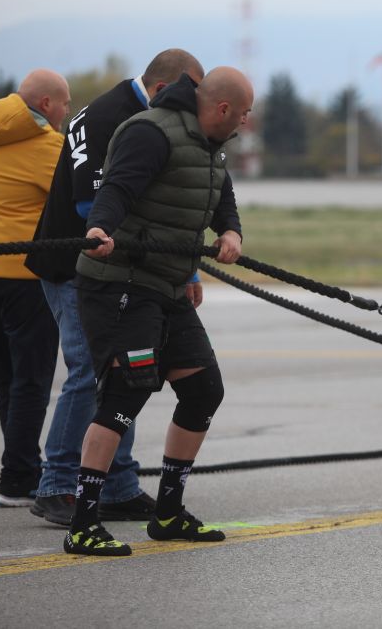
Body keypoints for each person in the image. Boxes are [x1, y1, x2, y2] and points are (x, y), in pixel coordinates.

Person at [63, 66, 252, 556]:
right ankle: (82, 524)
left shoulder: (210, 144)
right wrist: (101, 228)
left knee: (203, 389)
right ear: (224, 108)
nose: (246, 123)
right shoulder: (152, 131)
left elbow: (219, 193)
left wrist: (230, 231)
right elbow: (116, 189)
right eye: (245, 113)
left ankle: (168, 513)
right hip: (121, 283)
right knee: (126, 394)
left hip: (166, 285)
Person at [25, 49, 205, 527]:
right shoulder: (116, 118)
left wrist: (184, 267)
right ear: (167, 90)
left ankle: (118, 486)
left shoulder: (121, 109)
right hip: (77, 266)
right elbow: (93, 206)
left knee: (120, 374)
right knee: (90, 373)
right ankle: (59, 484)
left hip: (101, 265)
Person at [0, 70, 71, 507]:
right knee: (32, 381)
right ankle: (18, 480)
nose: (67, 112)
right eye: (65, 104)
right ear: (46, 104)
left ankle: (19, 466)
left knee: (8, 379)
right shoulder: (47, 147)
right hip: (27, 279)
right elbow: (76, 200)